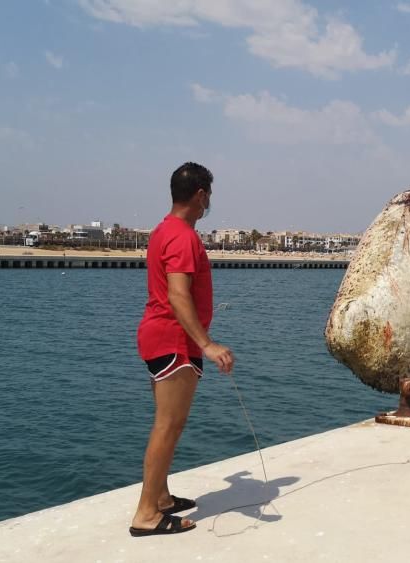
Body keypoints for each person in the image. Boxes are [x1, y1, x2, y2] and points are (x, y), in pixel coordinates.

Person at [129, 162, 235, 537]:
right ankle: (146, 514)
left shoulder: (164, 230)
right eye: (210, 195)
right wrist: (206, 344)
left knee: (171, 423)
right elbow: (177, 294)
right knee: (168, 425)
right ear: (201, 195)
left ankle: (160, 498)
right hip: (174, 341)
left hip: (164, 337)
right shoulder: (183, 236)